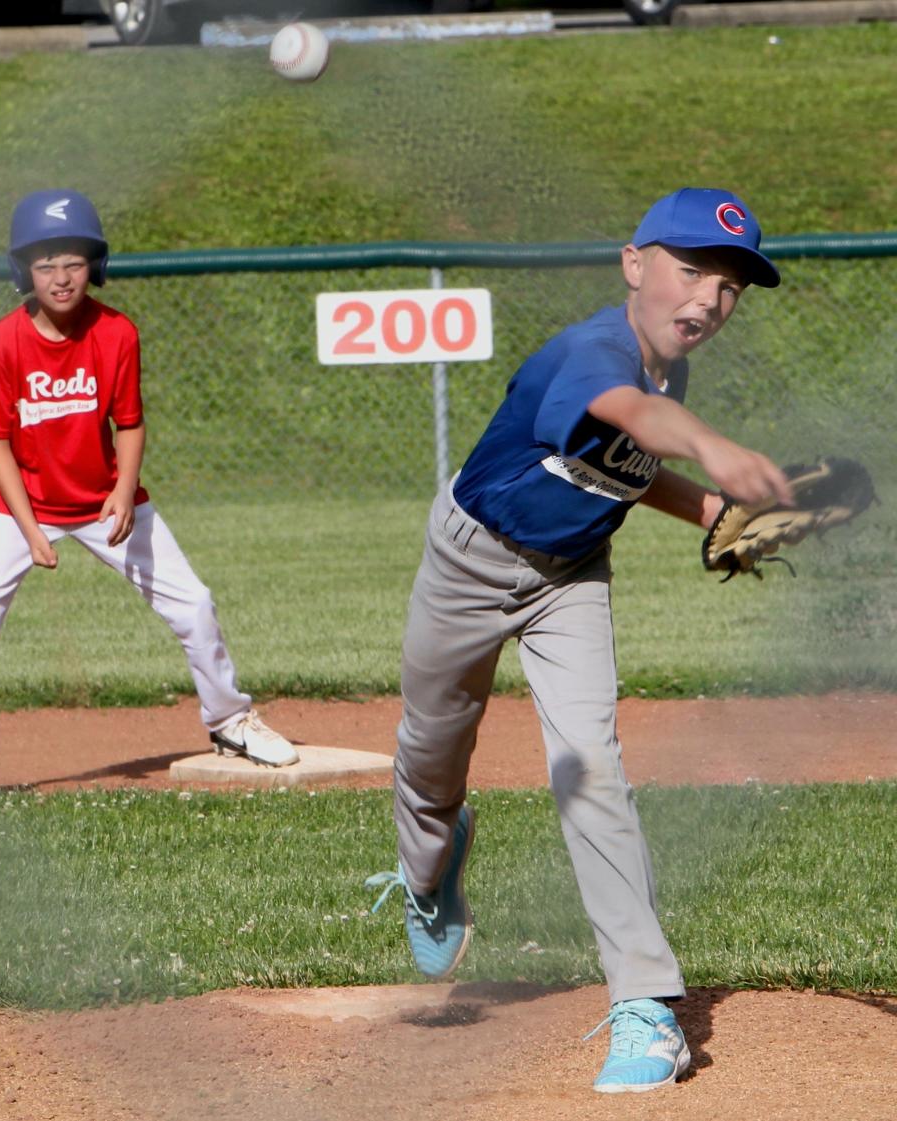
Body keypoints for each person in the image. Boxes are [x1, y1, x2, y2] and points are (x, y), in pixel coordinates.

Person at [366, 187, 794, 1093]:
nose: (709, 301)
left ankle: (645, 1004)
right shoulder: (594, 349)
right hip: (469, 561)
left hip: (570, 576)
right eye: (692, 272)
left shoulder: (671, 367)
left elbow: (621, 467)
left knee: (589, 764)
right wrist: (713, 453)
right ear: (634, 264)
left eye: (730, 288)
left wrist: (708, 511)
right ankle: (429, 864)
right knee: (432, 747)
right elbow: (624, 416)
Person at [0, 188, 297, 786]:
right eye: (45, 263)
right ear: (24, 270)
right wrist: (29, 530)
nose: (60, 277)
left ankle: (229, 719)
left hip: (105, 497)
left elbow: (128, 421)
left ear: (94, 266)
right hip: (17, 505)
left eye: (73, 261)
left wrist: (124, 490)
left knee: (194, 604)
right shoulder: (1, 344)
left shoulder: (116, 334)